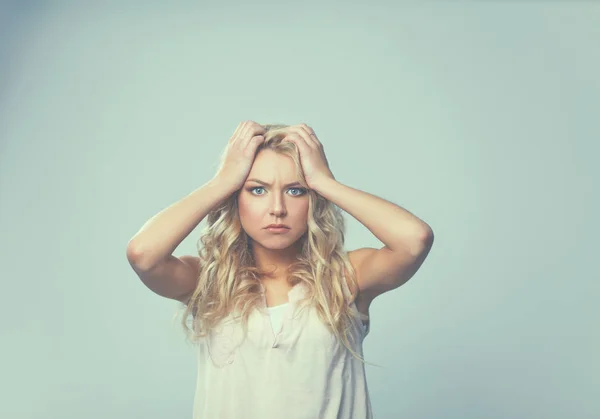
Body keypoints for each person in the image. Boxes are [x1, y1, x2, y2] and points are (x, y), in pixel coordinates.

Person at [126, 121, 434, 418]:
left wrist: (325, 182)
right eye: (257, 190)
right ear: (235, 199)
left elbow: (414, 239)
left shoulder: (345, 276)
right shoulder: (209, 280)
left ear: (314, 200)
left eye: (296, 190)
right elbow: (143, 254)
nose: (277, 208)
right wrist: (222, 182)